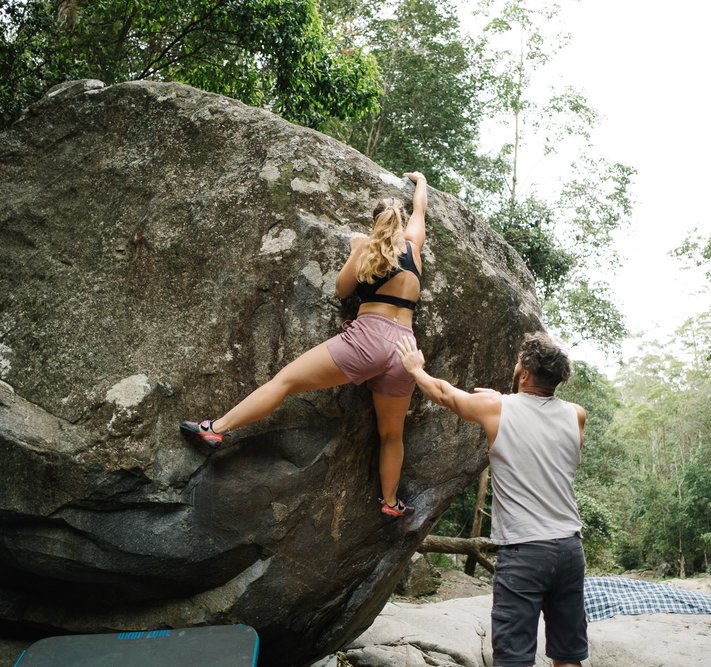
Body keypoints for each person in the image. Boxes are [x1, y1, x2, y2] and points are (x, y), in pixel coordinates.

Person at [181, 171, 428, 518]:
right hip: (405, 350)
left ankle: (217, 429)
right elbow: (421, 211)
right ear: (401, 223)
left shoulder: (367, 249)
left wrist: (356, 249)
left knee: (284, 382)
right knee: (391, 434)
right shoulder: (414, 250)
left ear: (374, 222)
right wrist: (420, 182)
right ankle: (390, 502)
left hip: (367, 339)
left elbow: (342, 290)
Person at [395, 332, 588, 667]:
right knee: (568, 655)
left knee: (513, 658)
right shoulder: (576, 414)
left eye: (518, 364)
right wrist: (503, 400)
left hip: (526, 550)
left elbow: (443, 394)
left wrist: (415, 369)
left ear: (525, 373)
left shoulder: (496, 407)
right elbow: (535, 421)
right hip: (570, 549)